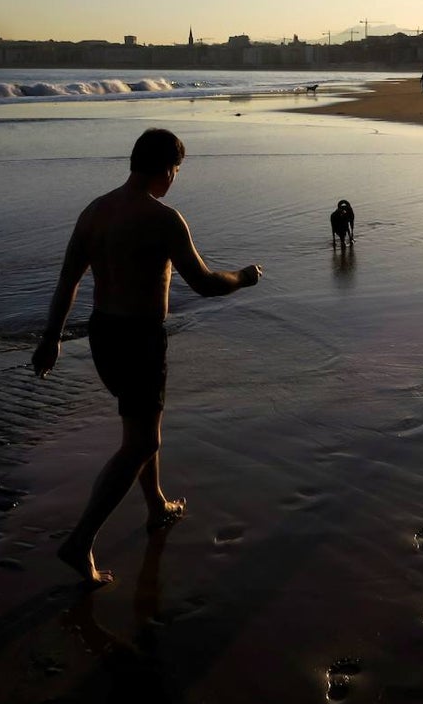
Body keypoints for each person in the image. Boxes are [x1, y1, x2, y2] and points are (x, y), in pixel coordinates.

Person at [32, 128, 263, 586]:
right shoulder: (164, 219)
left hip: (102, 335)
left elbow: (68, 281)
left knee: (141, 425)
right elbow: (203, 282)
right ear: (165, 170)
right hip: (139, 338)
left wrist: (51, 337)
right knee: (142, 442)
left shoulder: (95, 211)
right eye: (175, 170)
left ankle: (156, 504)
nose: (174, 179)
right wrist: (243, 276)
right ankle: (80, 541)